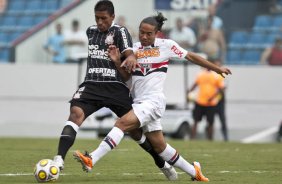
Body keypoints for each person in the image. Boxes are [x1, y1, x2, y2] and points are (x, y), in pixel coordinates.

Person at [73, 12, 231, 181]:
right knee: (161, 148)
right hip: (139, 102)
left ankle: (92, 159)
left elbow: (191, 56)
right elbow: (126, 78)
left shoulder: (167, 45)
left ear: (157, 33)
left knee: (121, 123)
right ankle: (194, 172)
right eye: (142, 32)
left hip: (153, 101)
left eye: (149, 33)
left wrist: (216, 68)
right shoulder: (133, 49)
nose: (144, 36)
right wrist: (117, 62)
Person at [52, 1, 177, 181]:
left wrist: (131, 58)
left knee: (135, 131)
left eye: (104, 18)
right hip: (92, 84)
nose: (100, 22)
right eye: (97, 18)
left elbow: (129, 52)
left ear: (112, 17)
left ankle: (161, 163)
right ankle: (58, 161)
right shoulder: (90, 32)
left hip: (115, 87)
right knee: (75, 114)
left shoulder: (120, 31)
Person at [188, 65, 225, 140]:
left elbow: (221, 89)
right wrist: (189, 91)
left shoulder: (216, 76)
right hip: (200, 102)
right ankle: (192, 139)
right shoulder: (201, 74)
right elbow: (195, 84)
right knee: (195, 121)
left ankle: (210, 139)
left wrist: (212, 97)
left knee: (210, 123)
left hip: (211, 103)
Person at [213, 60, 228, 141]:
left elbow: (223, 88)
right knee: (210, 120)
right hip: (211, 101)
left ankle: (225, 137)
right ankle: (210, 138)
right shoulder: (211, 75)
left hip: (219, 100)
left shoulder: (222, 76)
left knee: (222, 119)